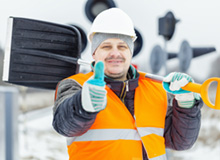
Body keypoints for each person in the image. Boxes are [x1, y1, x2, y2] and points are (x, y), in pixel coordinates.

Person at [52, 8, 203, 160]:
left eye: (122, 46)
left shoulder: (157, 90)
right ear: (94, 53)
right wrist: (82, 106)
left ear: (131, 52)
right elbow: (64, 126)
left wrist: (186, 106)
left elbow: (181, 142)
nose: (115, 53)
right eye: (106, 46)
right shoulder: (75, 85)